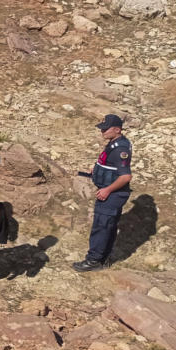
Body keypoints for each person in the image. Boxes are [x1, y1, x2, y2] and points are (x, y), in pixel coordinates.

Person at [73, 114, 132, 272]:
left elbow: (125, 176)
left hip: (112, 194)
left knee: (102, 226)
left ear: (117, 129)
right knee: (108, 226)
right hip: (110, 191)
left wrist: (107, 190)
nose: (102, 132)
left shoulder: (121, 149)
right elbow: (110, 165)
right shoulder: (114, 143)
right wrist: (97, 169)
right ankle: (103, 257)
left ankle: (93, 261)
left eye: (105, 129)